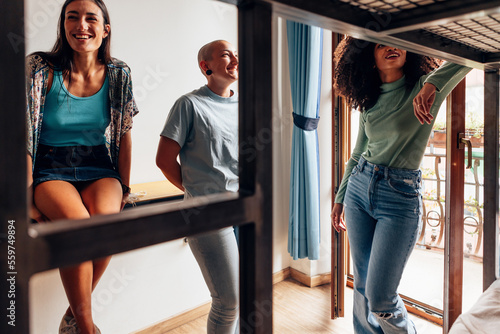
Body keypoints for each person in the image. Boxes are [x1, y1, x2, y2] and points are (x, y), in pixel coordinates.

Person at [331, 36, 471, 334]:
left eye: (397, 43)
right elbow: (357, 154)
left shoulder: (424, 87)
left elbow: (465, 58)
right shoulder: (370, 99)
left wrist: (432, 83)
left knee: (381, 297)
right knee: (362, 284)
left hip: (399, 197)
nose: (391, 47)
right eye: (381, 45)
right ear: (371, 56)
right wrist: (340, 197)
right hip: (358, 190)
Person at [26, 0, 138, 333]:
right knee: (78, 228)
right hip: (49, 164)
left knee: (105, 226)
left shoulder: (119, 73)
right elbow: (22, 134)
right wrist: (25, 197)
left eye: (91, 18)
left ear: (105, 30)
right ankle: (86, 326)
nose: (81, 25)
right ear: (63, 26)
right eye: (72, 17)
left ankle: (72, 318)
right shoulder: (40, 67)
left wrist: (124, 189)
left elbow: (126, 136)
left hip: (98, 163)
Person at [156, 40, 239, 334]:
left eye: (236, 55)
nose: (235, 59)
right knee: (228, 301)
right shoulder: (189, 105)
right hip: (208, 214)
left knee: (243, 296)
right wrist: (197, 192)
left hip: (244, 210)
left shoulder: (246, 105)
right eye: (226, 55)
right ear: (206, 67)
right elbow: (164, 160)